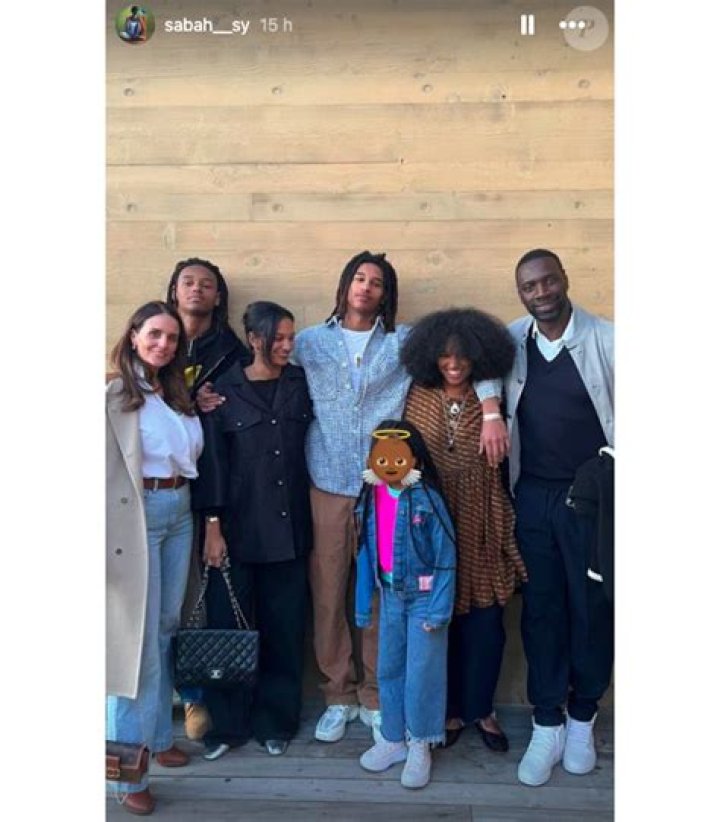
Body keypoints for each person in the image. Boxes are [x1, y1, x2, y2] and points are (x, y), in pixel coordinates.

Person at [494, 248, 614, 786]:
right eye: (529, 286)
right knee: (541, 610)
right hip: (532, 499)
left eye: (547, 281)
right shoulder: (511, 340)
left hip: (590, 503)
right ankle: (547, 722)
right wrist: (490, 409)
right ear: (520, 293)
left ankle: (583, 716)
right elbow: (479, 371)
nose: (540, 292)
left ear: (564, 278)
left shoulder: (608, 340)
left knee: (591, 610)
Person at [292, 251, 411, 744]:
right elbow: (266, 371)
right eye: (359, 278)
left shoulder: (404, 342)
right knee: (328, 591)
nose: (366, 287)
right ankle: (337, 694)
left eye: (376, 282)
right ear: (344, 286)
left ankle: (375, 695)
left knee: (382, 590)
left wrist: (490, 408)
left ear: (386, 295)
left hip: (385, 487)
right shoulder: (309, 342)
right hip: (327, 484)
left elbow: (466, 357)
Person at [400, 308, 528, 752]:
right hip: (433, 520)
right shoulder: (416, 395)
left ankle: (482, 709)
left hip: (483, 517)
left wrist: (491, 409)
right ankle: (450, 709)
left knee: (486, 618)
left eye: (463, 356)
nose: (453, 364)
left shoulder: (493, 395)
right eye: (445, 356)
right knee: (441, 616)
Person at [192, 301, 314, 760]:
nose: (286, 345)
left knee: (285, 628)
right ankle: (227, 725)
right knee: (228, 626)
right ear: (254, 338)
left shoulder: (301, 383)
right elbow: (213, 464)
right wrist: (213, 526)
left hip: (289, 528)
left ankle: (276, 722)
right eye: (277, 338)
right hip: (236, 531)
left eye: (290, 337)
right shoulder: (223, 391)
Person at [106, 301, 204, 816]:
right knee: (133, 649)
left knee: (166, 629)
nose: (163, 344)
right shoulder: (114, 395)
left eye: (171, 337)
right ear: (134, 335)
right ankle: (126, 774)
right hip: (136, 518)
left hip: (179, 510)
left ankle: (158, 736)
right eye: (154, 334)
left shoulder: (175, 393)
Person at [165, 256, 251, 741]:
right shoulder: (156, 339)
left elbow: (229, 423)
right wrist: (186, 400)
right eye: (188, 282)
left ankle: (197, 695)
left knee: (199, 595)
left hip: (211, 489)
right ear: (174, 290)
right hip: (154, 488)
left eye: (206, 284)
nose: (196, 290)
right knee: (155, 601)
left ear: (218, 297)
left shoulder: (230, 352)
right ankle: (158, 695)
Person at [354, 420, 456, 790]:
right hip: (391, 596)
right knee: (389, 667)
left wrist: (439, 609)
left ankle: (420, 742)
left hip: (424, 599)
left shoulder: (427, 499)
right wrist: (363, 604)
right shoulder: (371, 497)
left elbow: (445, 556)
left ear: (414, 459)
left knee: (422, 672)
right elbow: (365, 553)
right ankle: (393, 738)